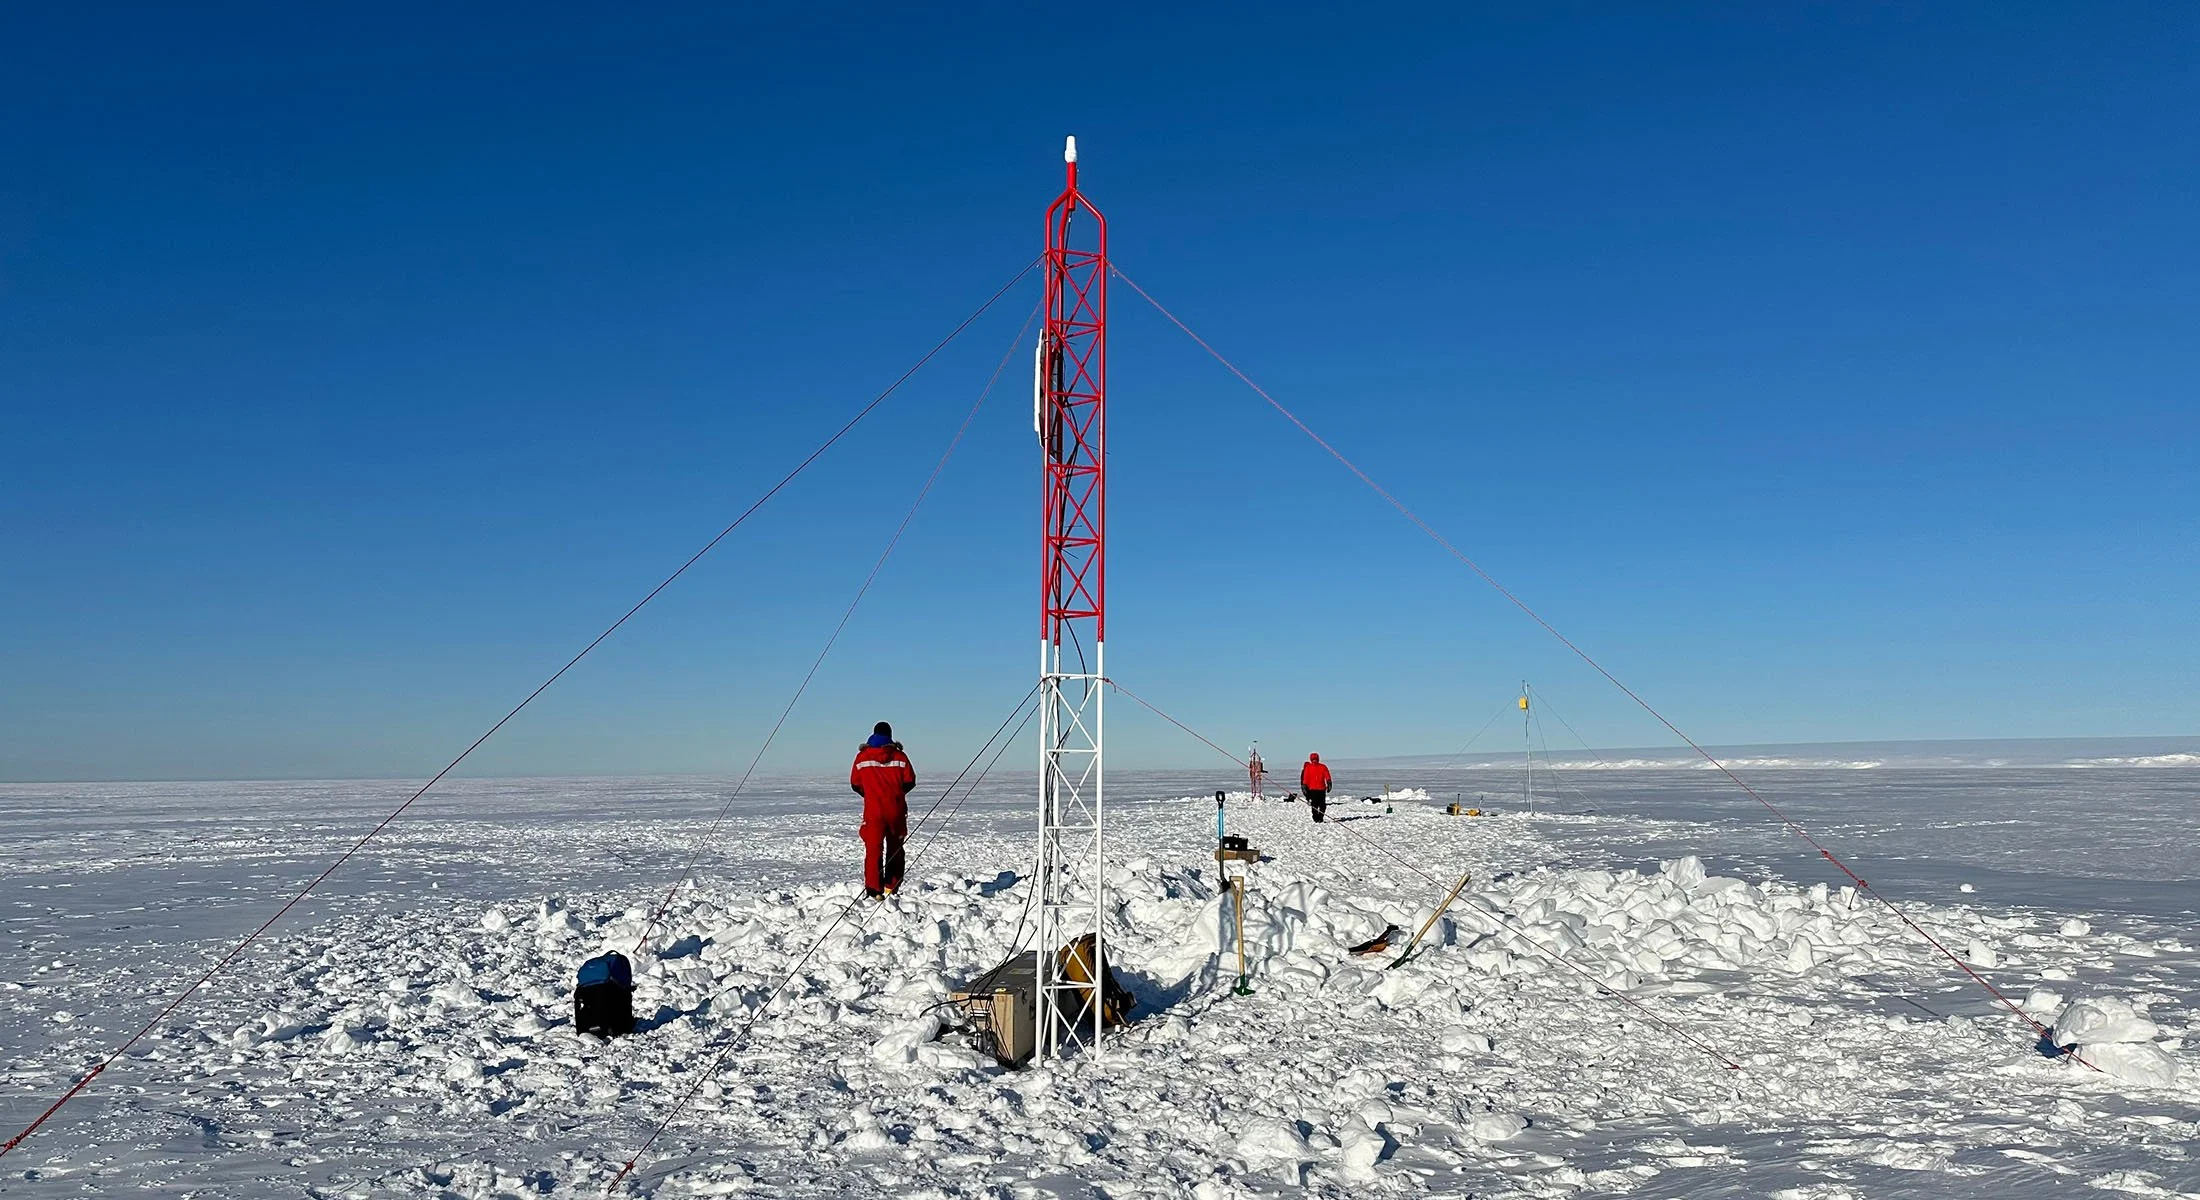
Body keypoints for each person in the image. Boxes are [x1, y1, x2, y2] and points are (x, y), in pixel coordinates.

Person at [850, 721, 916, 898]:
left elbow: (855, 784)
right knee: (895, 849)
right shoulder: (900, 757)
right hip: (896, 811)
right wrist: (895, 795)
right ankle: (891, 887)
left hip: (873, 812)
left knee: (873, 849)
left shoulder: (862, 758)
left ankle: (874, 889)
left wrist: (871, 794)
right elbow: (910, 781)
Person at [1300, 752, 1332, 823]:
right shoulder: (1323, 767)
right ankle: (1320, 817)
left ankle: (1316, 818)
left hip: (1313, 789)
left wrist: (1304, 786)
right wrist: (1329, 783)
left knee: (1314, 805)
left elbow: (1305, 779)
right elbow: (1327, 776)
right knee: (1322, 805)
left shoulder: (1308, 768)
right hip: (1321, 789)